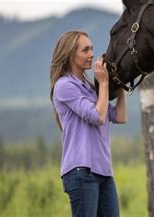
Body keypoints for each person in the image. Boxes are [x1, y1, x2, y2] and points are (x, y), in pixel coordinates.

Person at [50, 31, 126, 217]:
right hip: (81, 171)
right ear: (70, 54)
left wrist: (120, 84)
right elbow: (97, 116)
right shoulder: (64, 86)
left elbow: (120, 116)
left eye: (91, 48)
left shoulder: (91, 89)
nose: (91, 54)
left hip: (104, 172)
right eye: (85, 50)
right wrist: (104, 84)